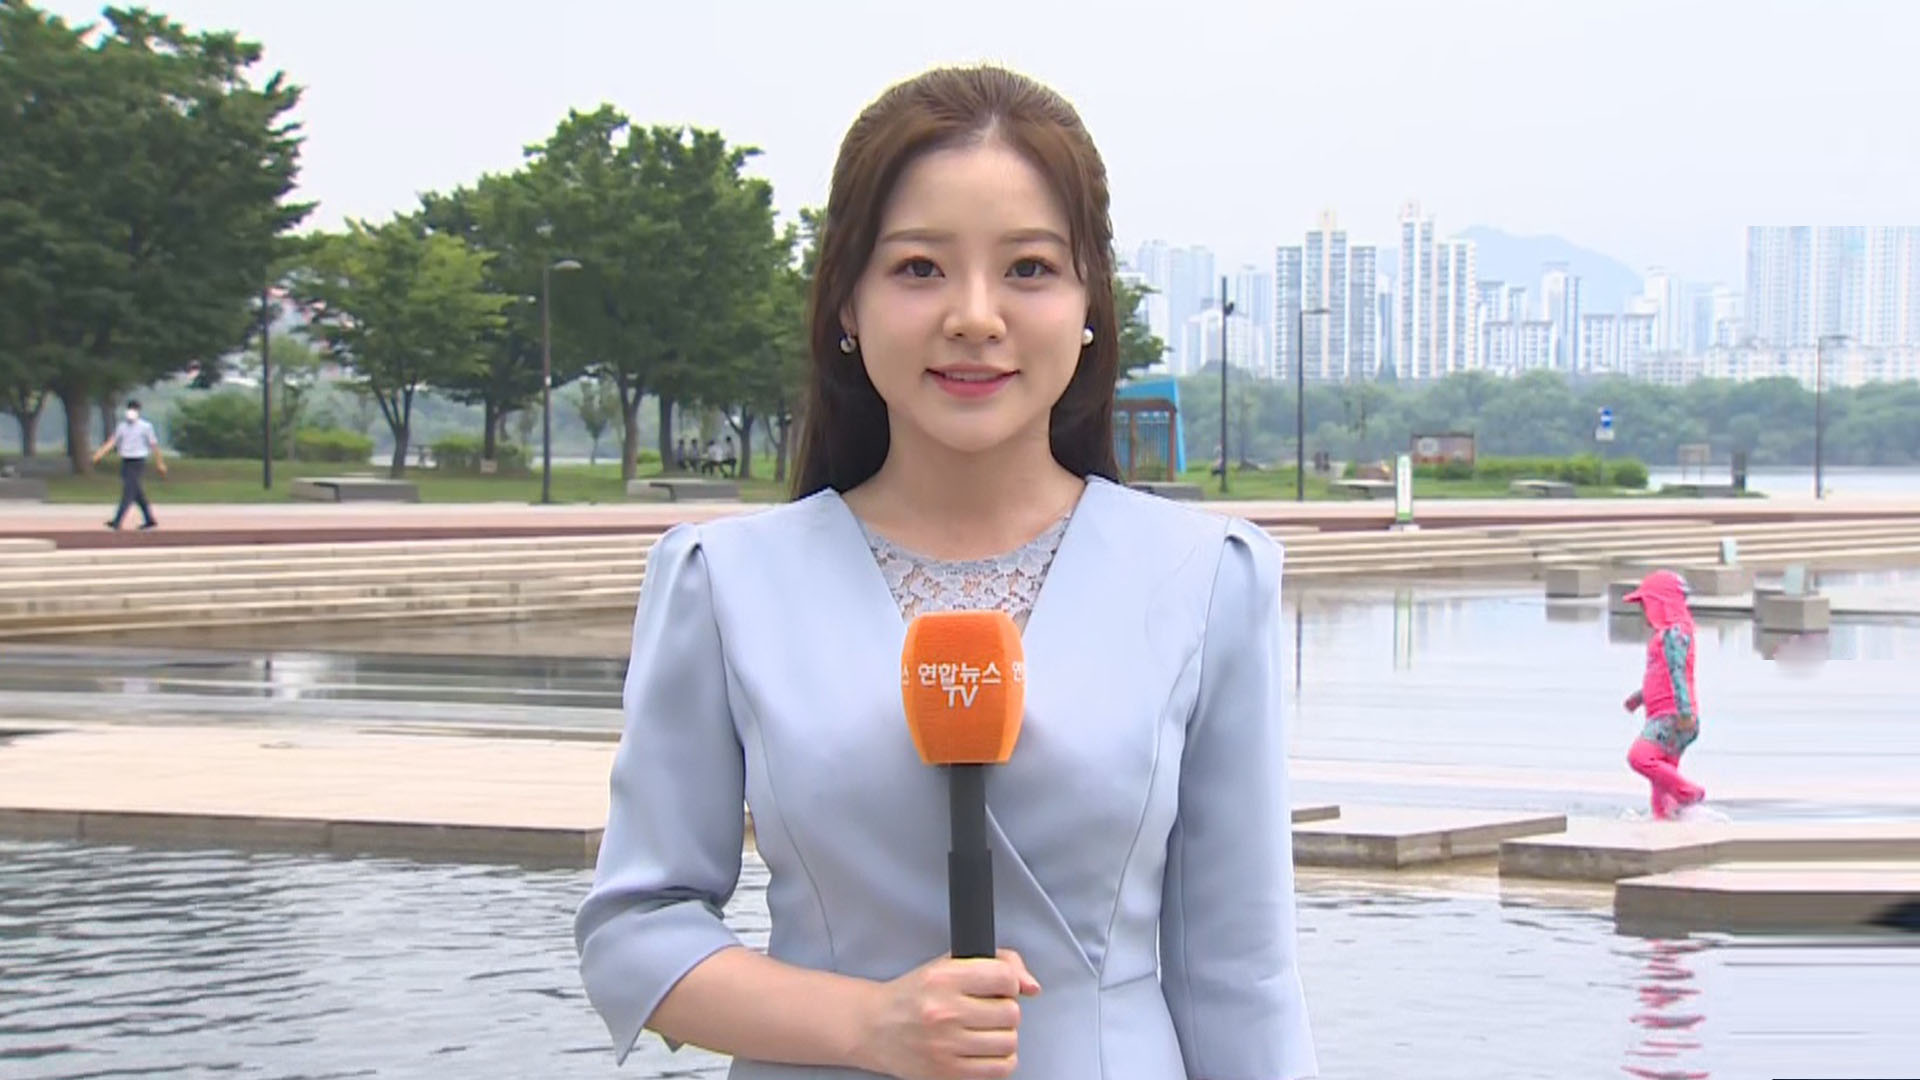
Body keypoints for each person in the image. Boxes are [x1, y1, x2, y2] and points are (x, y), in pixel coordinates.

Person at [575, 65, 1315, 1079]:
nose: (975, 316)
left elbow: (1241, 975)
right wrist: (866, 1024)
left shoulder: (1206, 579)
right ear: (847, 299)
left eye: (1029, 268)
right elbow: (634, 930)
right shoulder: (724, 583)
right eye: (920, 267)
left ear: (1090, 301)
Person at [1622, 569, 1707, 820]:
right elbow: (1661, 676)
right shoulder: (1671, 634)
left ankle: (1689, 793)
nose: (1644, 613)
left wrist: (1684, 711)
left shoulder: (1674, 634)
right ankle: (1666, 820)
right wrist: (1639, 698)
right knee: (1661, 784)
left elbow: (1677, 671)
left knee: (1639, 758)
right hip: (1668, 714)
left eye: (1646, 605)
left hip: (1671, 716)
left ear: (1661, 604)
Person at [92, 399, 167, 530]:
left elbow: (154, 445)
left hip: (138, 460)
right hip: (126, 460)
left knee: (128, 491)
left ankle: (117, 521)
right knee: (136, 492)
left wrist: (160, 463)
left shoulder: (145, 427)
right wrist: (100, 453)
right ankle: (149, 519)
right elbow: (113, 441)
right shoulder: (122, 427)